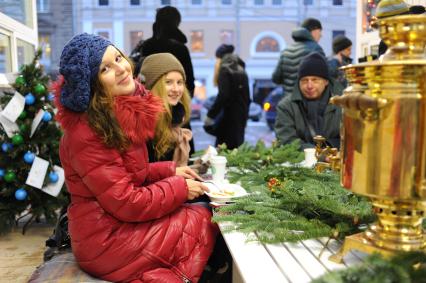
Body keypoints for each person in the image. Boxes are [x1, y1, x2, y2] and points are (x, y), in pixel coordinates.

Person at [53, 33, 217, 282]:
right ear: (91, 84)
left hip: (113, 226)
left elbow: (129, 174)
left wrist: (171, 171)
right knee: (205, 217)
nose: (121, 68)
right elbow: (128, 202)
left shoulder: (114, 115)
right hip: (105, 241)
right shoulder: (87, 133)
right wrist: (180, 188)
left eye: (118, 58)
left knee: (205, 211)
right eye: (105, 68)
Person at [138, 6, 196, 154]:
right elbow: (190, 82)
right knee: (180, 154)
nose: (176, 87)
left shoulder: (147, 45)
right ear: (177, 23)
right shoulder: (180, 48)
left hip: (152, 108)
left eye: (178, 83)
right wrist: (182, 101)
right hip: (175, 113)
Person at [274, 52, 343, 150]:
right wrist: (317, 154)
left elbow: (351, 137)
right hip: (299, 162)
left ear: (326, 81)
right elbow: (286, 140)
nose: (309, 86)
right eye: (304, 80)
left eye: (315, 80)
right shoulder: (286, 106)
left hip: (336, 160)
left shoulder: (343, 104)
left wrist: (329, 147)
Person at [140, 53, 192, 166]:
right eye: (168, 82)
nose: (176, 89)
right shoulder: (142, 123)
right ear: (152, 85)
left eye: (179, 82)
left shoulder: (176, 117)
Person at [204, 44, 250, 150]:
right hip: (240, 118)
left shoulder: (225, 69)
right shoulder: (241, 70)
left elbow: (223, 96)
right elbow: (247, 99)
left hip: (228, 119)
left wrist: (210, 116)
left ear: (220, 58)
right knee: (236, 152)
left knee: (223, 152)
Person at [272, 18, 325, 95]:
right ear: (314, 30)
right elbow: (326, 77)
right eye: (320, 31)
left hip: (288, 102)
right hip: (308, 102)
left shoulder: (286, 51)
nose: (321, 35)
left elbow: (276, 79)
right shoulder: (316, 49)